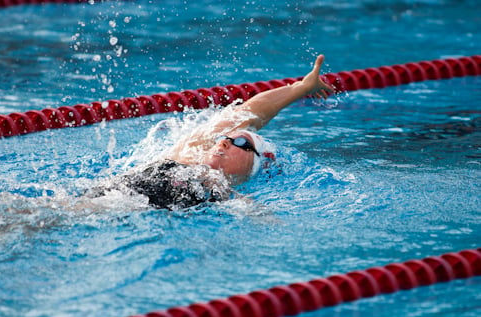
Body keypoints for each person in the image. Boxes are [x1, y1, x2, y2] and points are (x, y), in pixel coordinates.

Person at [88, 55, 334, 209]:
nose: (224, 142)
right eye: (226, 138)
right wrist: (300, 88)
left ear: (254, 165)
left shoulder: (232, 199)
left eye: (240, 141)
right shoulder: (189, 152)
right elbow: (251, 111)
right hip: (111, 197)